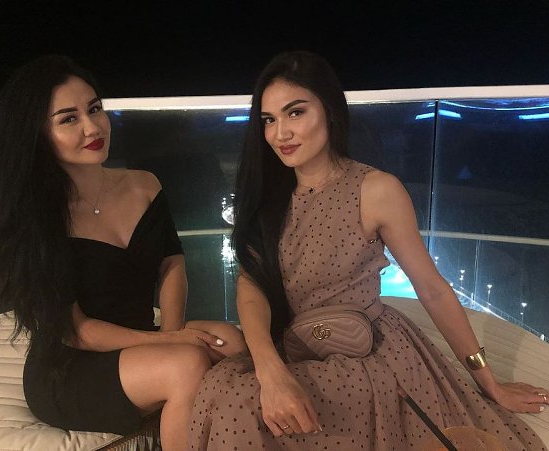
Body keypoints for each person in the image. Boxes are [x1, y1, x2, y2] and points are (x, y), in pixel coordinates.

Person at [188, 50, 547, 450]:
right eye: (268, 120)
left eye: (295, 113)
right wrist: (269, 369)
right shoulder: (269, 196)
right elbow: (251, 286)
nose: (280, 133)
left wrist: (489, 381)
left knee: (239, 403)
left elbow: (431, 288)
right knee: (219, 387)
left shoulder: (374, 190)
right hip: (289, 348)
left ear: (330, 111)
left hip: (364, 355)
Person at [0, 54, 246, 451]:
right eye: (69, 119)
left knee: (232, 342)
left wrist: (172, 333)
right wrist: (171, 345)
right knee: (186, 364)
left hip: (141, 337)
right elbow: (75, 330)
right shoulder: (35, 215)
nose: (92, 127)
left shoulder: (144, 185)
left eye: (94, 109)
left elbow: (171, 264)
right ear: (36, 134)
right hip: (70, 367)